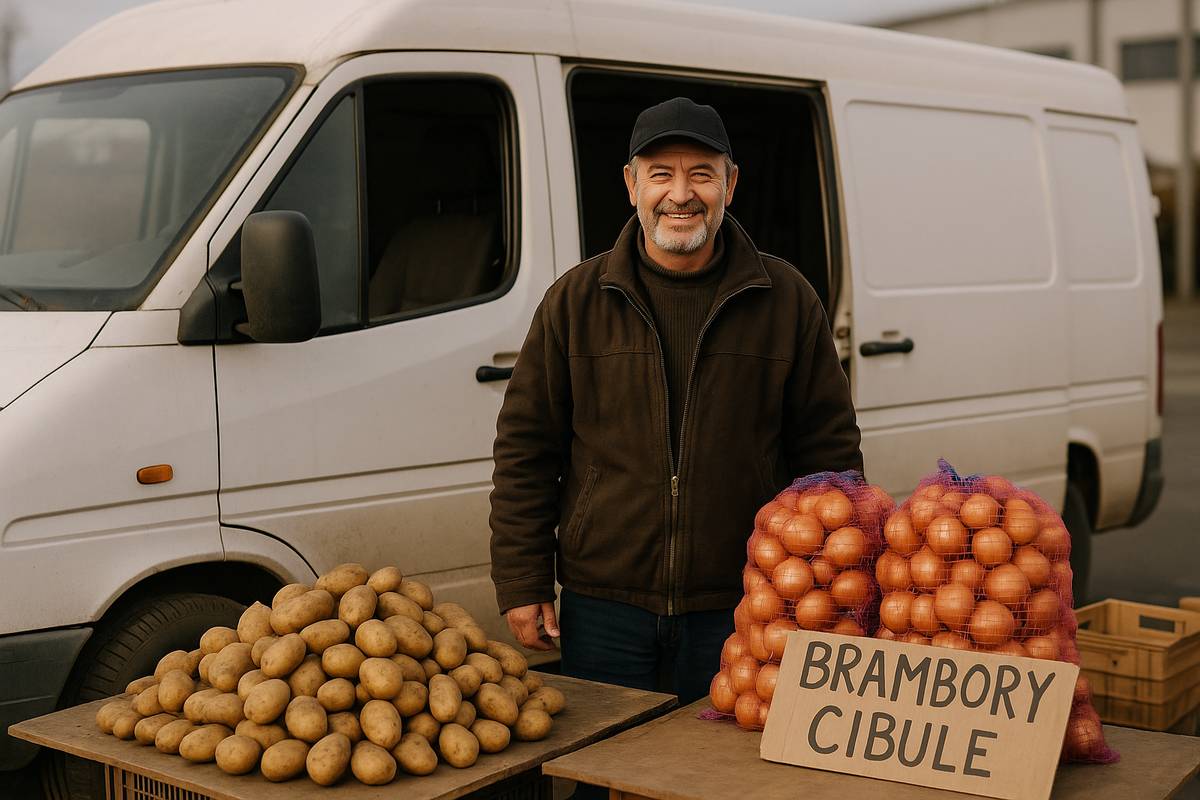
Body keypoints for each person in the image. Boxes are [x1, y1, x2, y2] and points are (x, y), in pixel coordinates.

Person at [489, 97, 863, 703]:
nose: (681, 194)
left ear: (730, 186)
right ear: (632, 185)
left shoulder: (786, 300)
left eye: (702, 175)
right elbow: (525, 451)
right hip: (604, 603)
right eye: (661, 174)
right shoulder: (575, 302)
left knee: (723, 759)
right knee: (606, 757)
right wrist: (522, 579)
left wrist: (829, 582)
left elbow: (831, 456)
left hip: (745, 600)